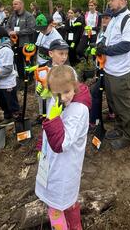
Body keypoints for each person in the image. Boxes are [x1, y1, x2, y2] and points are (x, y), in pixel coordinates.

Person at [35, 65, 89, 230]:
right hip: (51, 163)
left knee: (56, 207)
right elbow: (47, 133)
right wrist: (40, 148)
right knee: (67, 201)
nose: (63, 97)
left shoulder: (78, 111)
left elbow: (61, 144)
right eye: (57, 93)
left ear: (75, 86)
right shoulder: (56, 101)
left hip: (64, 168)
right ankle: (75, 226)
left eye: (66, 92)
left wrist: (52, 119)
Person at [96, 0, 130, 150]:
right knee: (114, 103)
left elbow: (127, 45)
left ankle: (129, 135)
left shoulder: (129, 20)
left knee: (124, 104)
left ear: (123, 1)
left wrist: (105, 50)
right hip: (109, 69)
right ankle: (120, 128)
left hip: (121, 72)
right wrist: (101, 44)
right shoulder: (114, 18)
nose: (109, 2)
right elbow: (108, 38)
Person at [89, 9, 115, 130]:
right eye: (102, 18)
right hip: (100, 67)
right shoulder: (100, 33)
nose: (104, 20)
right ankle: (112, 113)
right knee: (106, 92)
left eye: (107, 18)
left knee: (95, 92)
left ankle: (94, 121)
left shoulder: (113, 33)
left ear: (112, 20)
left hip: (109, 69)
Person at [6, 0, 36, 82]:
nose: (13, 6)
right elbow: (7, 26)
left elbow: (31, 29)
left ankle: (30, 78)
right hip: (14, 42)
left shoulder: (29, 16)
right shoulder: (12, 16)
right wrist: (9, 32)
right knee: (17, 60)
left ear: (21, 5)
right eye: (13, 4)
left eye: (15, 4)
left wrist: (17, 32)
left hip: (25, 43)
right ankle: (21, 77)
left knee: (28, 61)